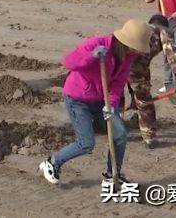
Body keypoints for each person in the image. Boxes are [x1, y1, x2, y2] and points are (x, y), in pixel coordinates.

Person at [39, 19, 151, 187]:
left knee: (119, 134)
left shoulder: (129, 56)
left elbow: (118, 83)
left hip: (101, 100)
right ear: (125, 41)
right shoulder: (98, 43)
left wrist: (111, 105)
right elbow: (69, 61)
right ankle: (52, 162)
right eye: (135, 46)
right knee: (86, 144)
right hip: (78, 99)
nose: (136, 51)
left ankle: (112, 174)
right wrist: (91, 56)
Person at [122, 14, 173, 149]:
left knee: (115, 99)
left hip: (119, 65)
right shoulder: (163, 32)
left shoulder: (139, 28)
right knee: (145, 103)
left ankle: (116, 130)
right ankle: (149, 138)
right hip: (134, 68)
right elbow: (173, 56)